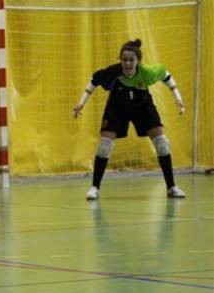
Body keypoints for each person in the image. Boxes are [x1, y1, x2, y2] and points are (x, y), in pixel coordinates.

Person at [72, 39, 186, 200]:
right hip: (117, 107)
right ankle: (94, 188)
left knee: (162, 143)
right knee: (104, 146)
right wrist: (81, 103)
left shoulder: (147, 72)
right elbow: (93, 80)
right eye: (124, 59)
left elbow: (166, 75)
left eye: (131, 60)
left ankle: (172, 187)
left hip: (142, 105)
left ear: (138, 61)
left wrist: (177, 97)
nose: (127, 63)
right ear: (121, 60)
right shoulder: (113, 73)